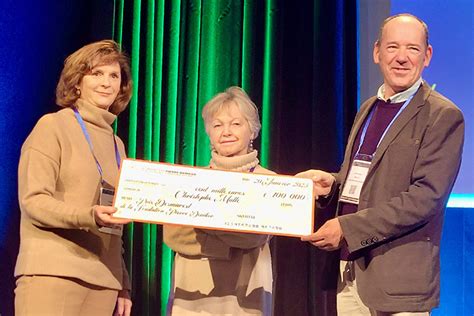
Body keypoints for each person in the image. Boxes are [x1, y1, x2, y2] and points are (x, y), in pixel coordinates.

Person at [297, 13, 464, 316]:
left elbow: (425, 198)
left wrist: (347, 228)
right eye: (392, 47)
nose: (401, 58)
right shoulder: (369, 108)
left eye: (412, 49)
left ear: (426, 56)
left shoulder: (442, 115)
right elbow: (369, 177)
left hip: (399, 282)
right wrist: (333, 184)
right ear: (376, 52)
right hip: (351, 272)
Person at [15, 40, 133, 316]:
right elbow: (33, 201)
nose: (106, 82)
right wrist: (89, 215)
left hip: (103, 282)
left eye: (114, 76)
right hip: (52, 273)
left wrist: (123, 283)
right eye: (96, 73)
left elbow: (116, 222)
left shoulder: (117, 145)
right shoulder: (53, 126)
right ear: (77, 81)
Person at [163, 86, 273, 315]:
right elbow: (173, 235)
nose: (226, 132)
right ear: (209, 133)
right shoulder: (189, 180)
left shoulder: (269, 181)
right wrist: (232, 233)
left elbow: (253, 236)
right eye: (217, 125)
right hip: (192, 291)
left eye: (236, 123)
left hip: (246, 292)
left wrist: (200, 224)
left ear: (252, 131)